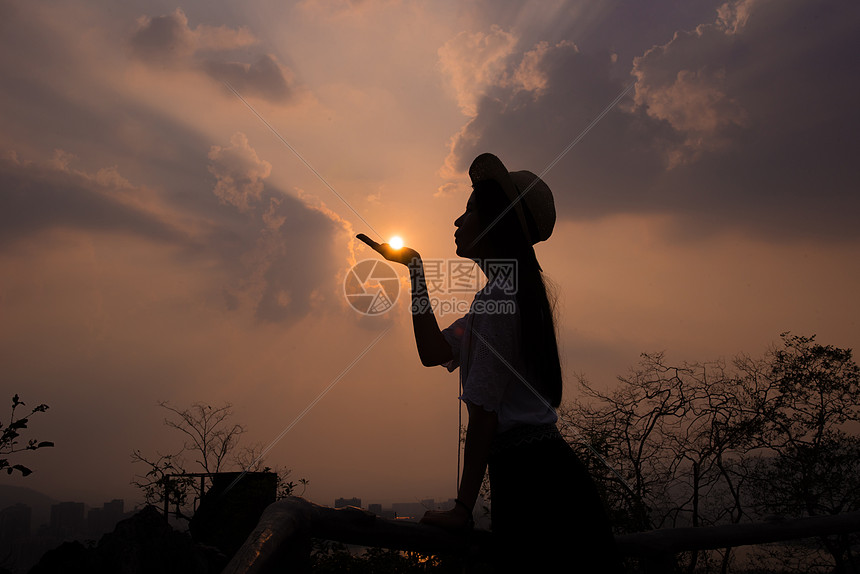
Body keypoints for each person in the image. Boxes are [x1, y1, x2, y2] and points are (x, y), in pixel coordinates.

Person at [357, 153, 620, 573]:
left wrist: (462, 509)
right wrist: (415, 270)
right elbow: (434, 352)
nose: (458, 222)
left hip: (535, 483)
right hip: (539, 476)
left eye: (471, 210)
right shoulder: (500, 298)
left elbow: (483, 415)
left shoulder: (500, 301)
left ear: (499, 224)